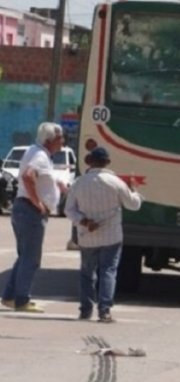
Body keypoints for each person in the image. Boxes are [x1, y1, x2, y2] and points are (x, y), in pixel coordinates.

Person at [64, 147, 143, 322]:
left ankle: (85, 310)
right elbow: (133, 205)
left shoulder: (79, 182)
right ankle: (104, 310)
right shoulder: (115, 182)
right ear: (107, 162)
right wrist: (134, 190)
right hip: (111, 236)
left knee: (87, 273)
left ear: (90, 161)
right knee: (108, 271)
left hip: (87, 236)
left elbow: (69, 210)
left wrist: (84, 221)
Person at [1, 122, 66, 312]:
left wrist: (58, 186)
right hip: (30, 211)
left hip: (24, 209)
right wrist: (38, 202)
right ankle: (22, 299)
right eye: (60, 138)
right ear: (49, 140)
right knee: (31, 259)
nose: (62, 142)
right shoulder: (39, 155)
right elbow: (29, 177)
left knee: (25, 257)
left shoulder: (38, 153)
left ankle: (10, 296)